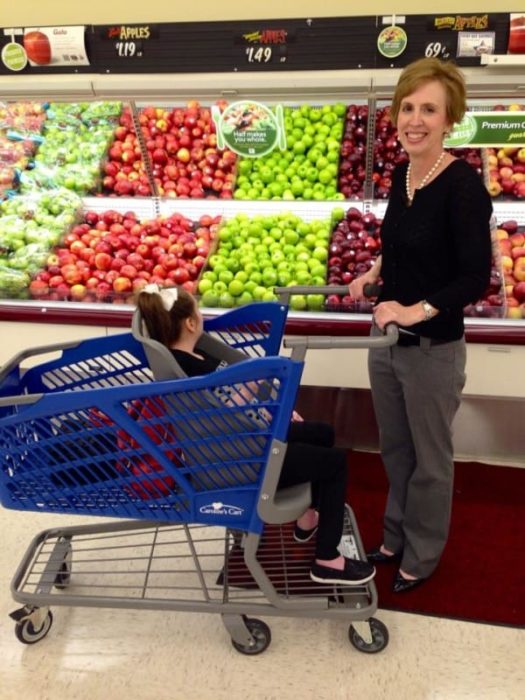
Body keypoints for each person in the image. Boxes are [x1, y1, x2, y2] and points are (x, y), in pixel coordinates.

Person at [349, 57, 493, 593]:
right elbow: (399, 240)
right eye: (408, 107)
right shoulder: (403, 173)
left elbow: (474, 277)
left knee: (430, 460)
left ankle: (423, 553)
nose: (415, 118)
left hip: (431, 346)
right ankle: (394, 537)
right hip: (386, 341)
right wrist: (375, 270)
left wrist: (414, 310)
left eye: (428, 109)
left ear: (449, 116)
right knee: (395, 449)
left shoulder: (463, 187)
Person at [136, 284, 376, 587]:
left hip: (246, 438)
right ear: (190, 323)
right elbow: (218, 413)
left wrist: (272, 410)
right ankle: (327, 559)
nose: (202, 315)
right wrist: (257, 382)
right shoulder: (184, 365)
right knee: (334, 463)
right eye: (198, 311)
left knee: (322, 434)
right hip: (245, 459)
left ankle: (307, 517)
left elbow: (224, 405)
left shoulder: (189, 355)